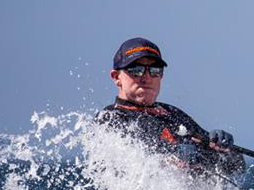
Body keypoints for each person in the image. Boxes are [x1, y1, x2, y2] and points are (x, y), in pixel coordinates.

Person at [96, 37, 244, 178]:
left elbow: (236, 167)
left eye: (155, 70)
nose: (146, 77)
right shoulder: (110, 119)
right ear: (116, 77)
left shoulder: (171, 113)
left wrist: (226, 150)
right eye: (136, 70)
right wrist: (182, 156)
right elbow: (141, 163)